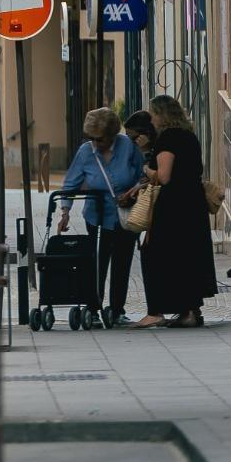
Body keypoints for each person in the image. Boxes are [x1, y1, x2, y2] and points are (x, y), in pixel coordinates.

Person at [133, 94, 219, 329]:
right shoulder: (189, 136)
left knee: (154, 254)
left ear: (162, 115)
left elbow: (164, 176)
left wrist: (146, 167)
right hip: (192, 205)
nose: (151, 118)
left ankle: (156, 311)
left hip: (172, 208)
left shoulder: (168, 138)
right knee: (188, 257)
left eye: (153, 113)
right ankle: (190, 311)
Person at [56, 108, 145, 325]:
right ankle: (93, 309)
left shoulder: (127, 147)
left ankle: (116, 310)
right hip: (97, 215)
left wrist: (132, 191)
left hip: (126, 215)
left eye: (100, 139)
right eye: (91, 139)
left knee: (122, 263)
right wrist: (65, 212)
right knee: (97, 263)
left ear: (112, 134)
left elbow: (144, 175)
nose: (95, 143)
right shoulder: (85, 152)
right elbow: (71, 183)